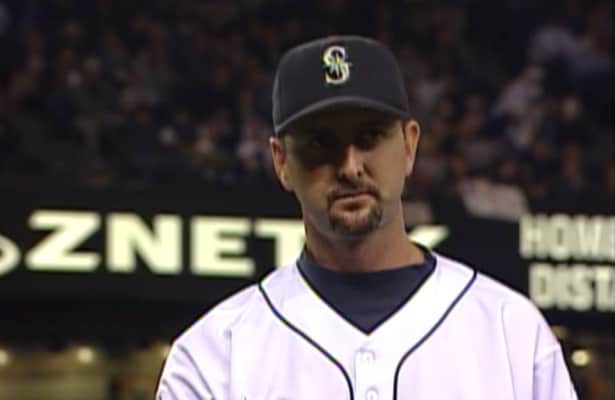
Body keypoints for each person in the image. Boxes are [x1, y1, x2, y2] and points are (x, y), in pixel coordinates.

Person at [156, 35, 578, 400]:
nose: (350, 167)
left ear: (409, 145)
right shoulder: (215, 355)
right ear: (281, 161)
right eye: (321, 143)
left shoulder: (510, 332)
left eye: (369, 137)